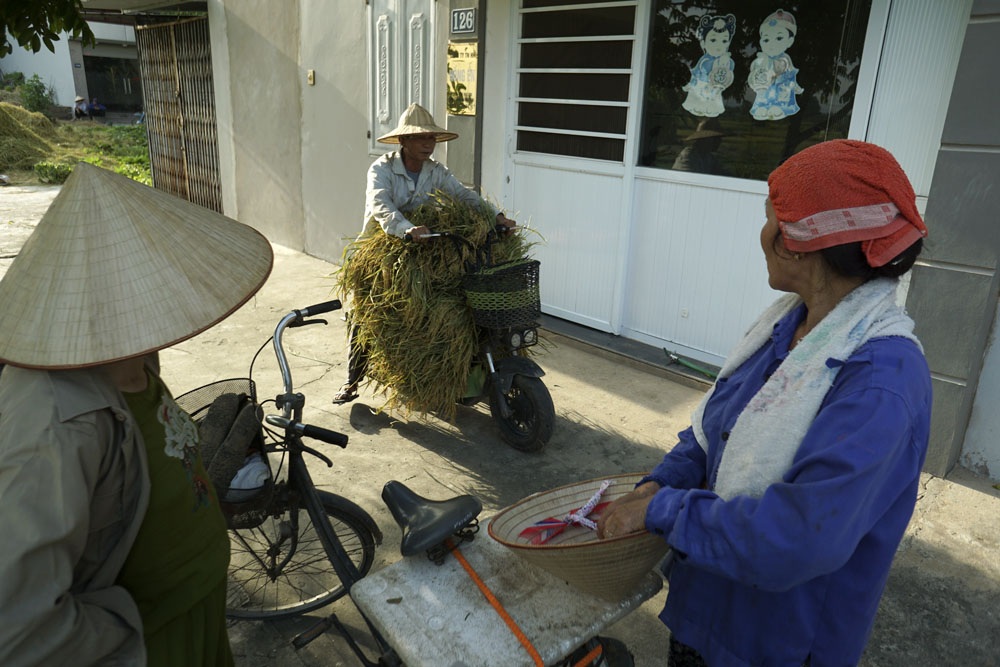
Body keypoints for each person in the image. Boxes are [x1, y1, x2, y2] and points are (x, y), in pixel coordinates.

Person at [597, 140, 931, 666]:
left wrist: (663, 510)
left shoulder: (880, 384)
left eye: (771, 219)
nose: (763, 235)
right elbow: (711, 435)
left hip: (776, 645)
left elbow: (797, 539)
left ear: (796, 242)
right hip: (705, 613)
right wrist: (659, 484)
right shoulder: (785, 330)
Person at [0, 162, 273, 666]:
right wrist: (128, 636)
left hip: (199, 616)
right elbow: (16, 630)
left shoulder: (132, 352)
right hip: (153, 645)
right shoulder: (51, 418)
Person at [333, 102, 516, 404]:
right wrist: (407, 228)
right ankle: (352, 380)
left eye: (431, 138)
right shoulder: (382, 169)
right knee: (366, 312)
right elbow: (381, 207)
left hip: (425, 246)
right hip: (383, 247)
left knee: (449, 302)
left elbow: (463, 195)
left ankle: (451, 377)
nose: (428, 144)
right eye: (420, 138)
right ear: (403, 141)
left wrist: (496, 217)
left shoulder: (436, 171)